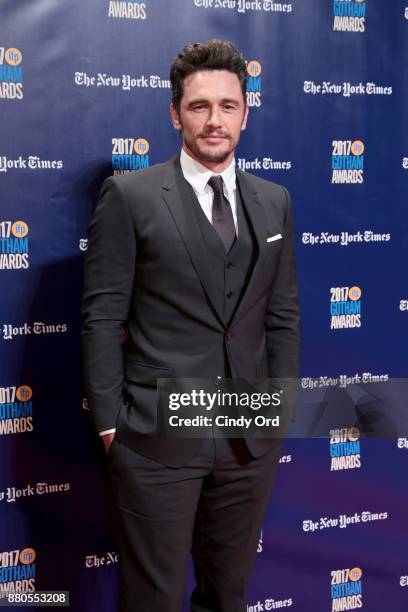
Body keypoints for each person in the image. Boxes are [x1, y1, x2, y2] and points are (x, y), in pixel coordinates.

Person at [81, 39, 300, 612]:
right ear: (175, 113)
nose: (214, 120)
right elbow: (103, 317)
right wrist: (110, 426)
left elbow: (282, 316)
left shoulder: (274, 201)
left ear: (245, 114)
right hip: (154, 438)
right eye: (199, 106)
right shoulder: (130, 196)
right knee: (152, 600)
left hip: (247, 439)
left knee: (228, 596)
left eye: (228, 106)